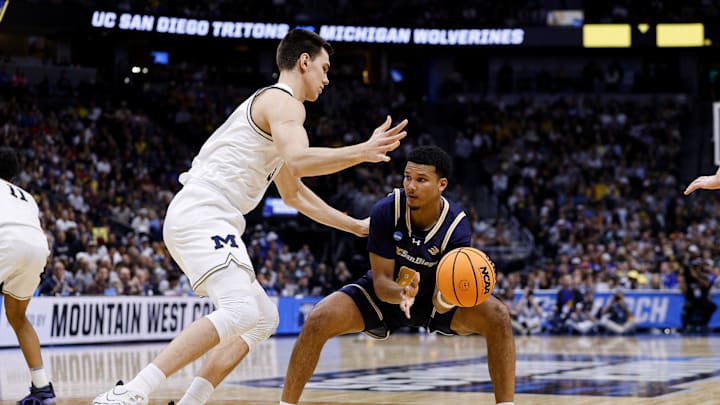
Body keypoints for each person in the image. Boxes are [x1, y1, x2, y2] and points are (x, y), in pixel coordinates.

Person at [93, 28, 408, 405]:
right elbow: (300, 161)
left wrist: (355, 226)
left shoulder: (277, 118)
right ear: (303, 62)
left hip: (209, 216)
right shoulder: (285, 102)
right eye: (324, 68)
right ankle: (132, 392)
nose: (327, 78)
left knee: (262, 318)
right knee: (240, 310)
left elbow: (296, 196)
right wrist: (363, 150)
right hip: (204, 211)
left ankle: (191, 401)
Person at [280, 145, 516, 405]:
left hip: (434, 300)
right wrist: (402, 293)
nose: (411, 186)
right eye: (407, 177)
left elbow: (442, 298)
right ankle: (286, 404)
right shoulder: (386, 210)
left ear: (442, 185)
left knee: (498, 316)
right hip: (387, 294)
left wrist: (450, 297)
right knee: (318, 318)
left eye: (421, 180)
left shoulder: (456, 226)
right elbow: (381, 283)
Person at [0, 146, 56, 404]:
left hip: (6, 241)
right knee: (18, 317)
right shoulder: (26, 196)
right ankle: (42, 387)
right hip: (36, 246)